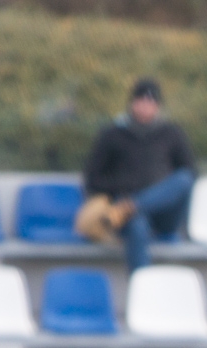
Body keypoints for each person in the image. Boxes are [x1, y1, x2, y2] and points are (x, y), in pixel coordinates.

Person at [79, 77, 196, 273]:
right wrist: (122, 187)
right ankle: (141, 290)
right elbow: (93, 178)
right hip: (123, 209)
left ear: (158, 106)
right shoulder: (112, 134)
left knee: (184, 179)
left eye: (150, 102)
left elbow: (190, 171)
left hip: (163, 213)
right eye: (141, 101)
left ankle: (132, 207)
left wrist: (148, 198)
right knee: (137, 225)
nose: (145, 106)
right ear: (132, 103)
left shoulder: (172, 133)